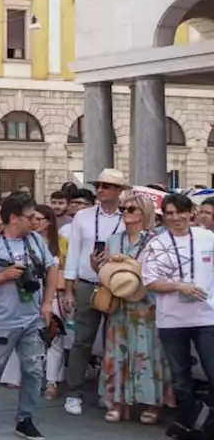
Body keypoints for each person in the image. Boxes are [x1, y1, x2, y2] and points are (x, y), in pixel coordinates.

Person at [0, 193, 57, 440]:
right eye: (29, 217)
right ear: (14, 218)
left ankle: (25, 419)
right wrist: (4, 276)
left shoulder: (37, 241)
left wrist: (47, 302)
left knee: (34, 370)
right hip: (1, 319)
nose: (34, 222)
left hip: (32, 318)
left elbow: (51, 270)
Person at [92, 192, 172, 424]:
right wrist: (98, 266)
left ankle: (152, 402)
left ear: (143, 214)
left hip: (146, 304)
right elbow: (106, 271)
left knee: (147, 352)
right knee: (117, 352)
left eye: (130, 209)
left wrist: (129, 264)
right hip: (119, 303)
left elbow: (160, 271)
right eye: (123, 209)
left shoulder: (156, 239)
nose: (124, 213)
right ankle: (118, 401)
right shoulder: (114, 239)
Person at [61, 168, 127, 416]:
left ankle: (109, 392)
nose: (100, 190)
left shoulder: (127, 216)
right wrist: (69, 289)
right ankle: (74, 392)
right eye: (98, 185)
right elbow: (74, 254)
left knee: (115, 342)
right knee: (81, 341)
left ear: (119, 191)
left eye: (106, 186)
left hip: (117, 286)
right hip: (87, 283)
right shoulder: (83, 216)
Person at [143, 193, 214, 418]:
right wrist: (177, 286)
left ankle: (208, 420)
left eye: (180, 212)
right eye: (170, 214)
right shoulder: (155, 244)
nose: (176, 218)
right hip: (172, 320)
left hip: (207, 317)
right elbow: (150, 282)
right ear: (163, 216)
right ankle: (188, 420)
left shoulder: (207, 237)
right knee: (180, 375)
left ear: (190, 213)